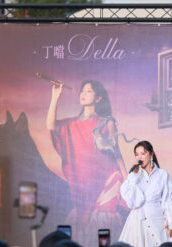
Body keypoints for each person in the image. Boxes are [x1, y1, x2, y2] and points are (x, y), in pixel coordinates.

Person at [46, 80, 126, 237]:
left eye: (89, 91)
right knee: (81, 229)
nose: (83, 94)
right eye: (82, 91)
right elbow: (51, 126)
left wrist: (126, 177)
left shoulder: (106, 122)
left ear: (98, 98)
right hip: (82, 183)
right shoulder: (71, 123)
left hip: (105, 179)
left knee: (103, 229)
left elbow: (115, 152)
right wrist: (55, 97)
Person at [119, 141, 172, 247]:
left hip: (156, 218)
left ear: (151, 154)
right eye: (137, 154)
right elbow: (131, 200)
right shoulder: (134, 175)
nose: (139, 157)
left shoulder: (162, 175)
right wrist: (133, 176)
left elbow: (168, 199)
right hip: (138, 219)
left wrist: (170, 222)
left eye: (143, 153)